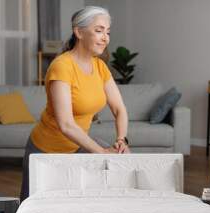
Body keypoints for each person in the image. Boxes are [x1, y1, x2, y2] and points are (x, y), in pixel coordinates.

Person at [20, 6, 130, 202]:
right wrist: (101, 151)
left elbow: (119, 109)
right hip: (46, 151)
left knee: (115, 165)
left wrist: (121, 140)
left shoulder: (100, 67)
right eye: (99, 30)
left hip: (77, 146)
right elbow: (66, 124)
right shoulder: (62, 67)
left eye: (108, 32)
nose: (105, 37)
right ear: (79, 32)